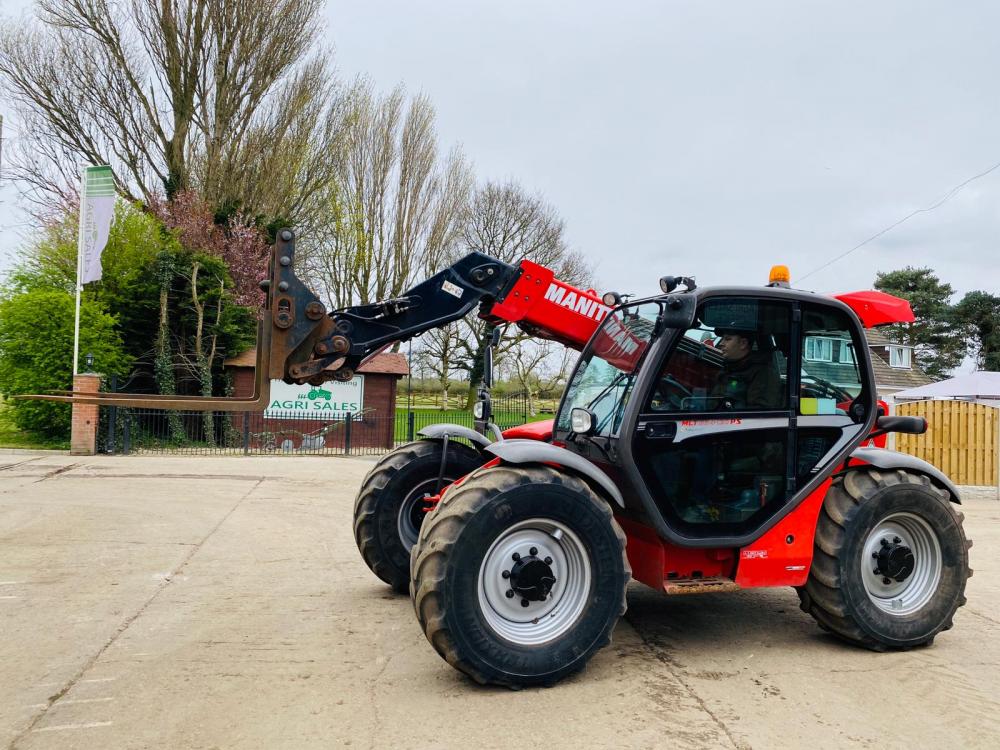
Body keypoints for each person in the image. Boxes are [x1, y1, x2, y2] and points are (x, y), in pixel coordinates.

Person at [710, 329, 783, 410]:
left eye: (727, 339)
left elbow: (759, 413)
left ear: (743, 343)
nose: (721, 344)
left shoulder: (764, 373)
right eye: (722, 339)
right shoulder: (727, 369)